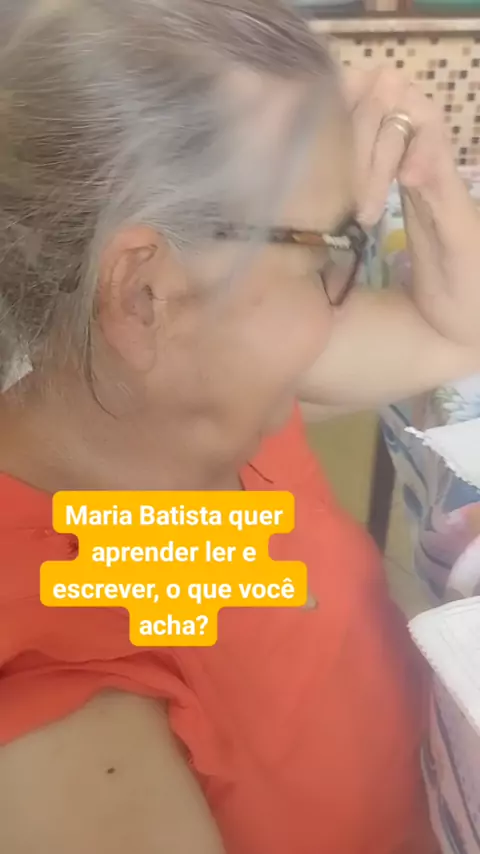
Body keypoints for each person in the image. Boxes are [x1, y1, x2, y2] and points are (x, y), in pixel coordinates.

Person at [0, 1, 480, 852]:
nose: (335, 296)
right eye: (324, 253)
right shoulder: (61, 703)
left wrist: (429, 172)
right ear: (144, 292)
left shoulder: (201, 405)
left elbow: (457, 336)